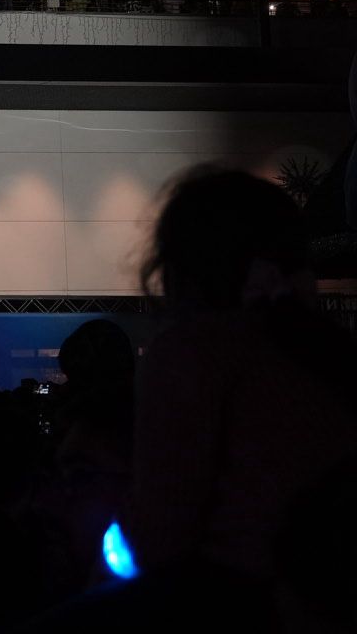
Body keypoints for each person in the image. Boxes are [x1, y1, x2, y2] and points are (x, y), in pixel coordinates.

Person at [129, 168, 357, 595]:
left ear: (181, 263)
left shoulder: (193, 350)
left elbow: (163, 530)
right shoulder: (327, 348)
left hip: (239, 597)